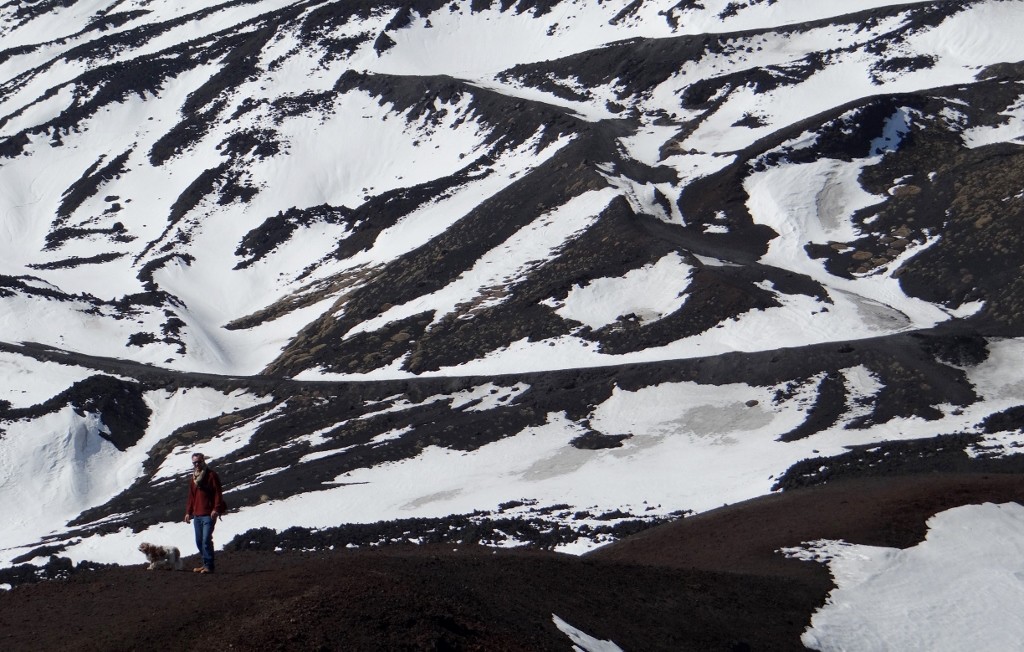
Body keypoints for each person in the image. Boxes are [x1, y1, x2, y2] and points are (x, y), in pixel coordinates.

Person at [183, 452, 227, 574]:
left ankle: (209, 566)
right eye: (194, 463)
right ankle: (206, 564)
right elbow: (191, 497)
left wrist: (216, 509)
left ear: (203, 461)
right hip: (197, 515)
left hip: (208, 514)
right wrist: (188, 512)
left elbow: (218, 493)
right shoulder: (193, 478)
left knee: (206, 539)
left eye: (199, 462)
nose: (197, 464)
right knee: (199, 541)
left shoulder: (211, 475)